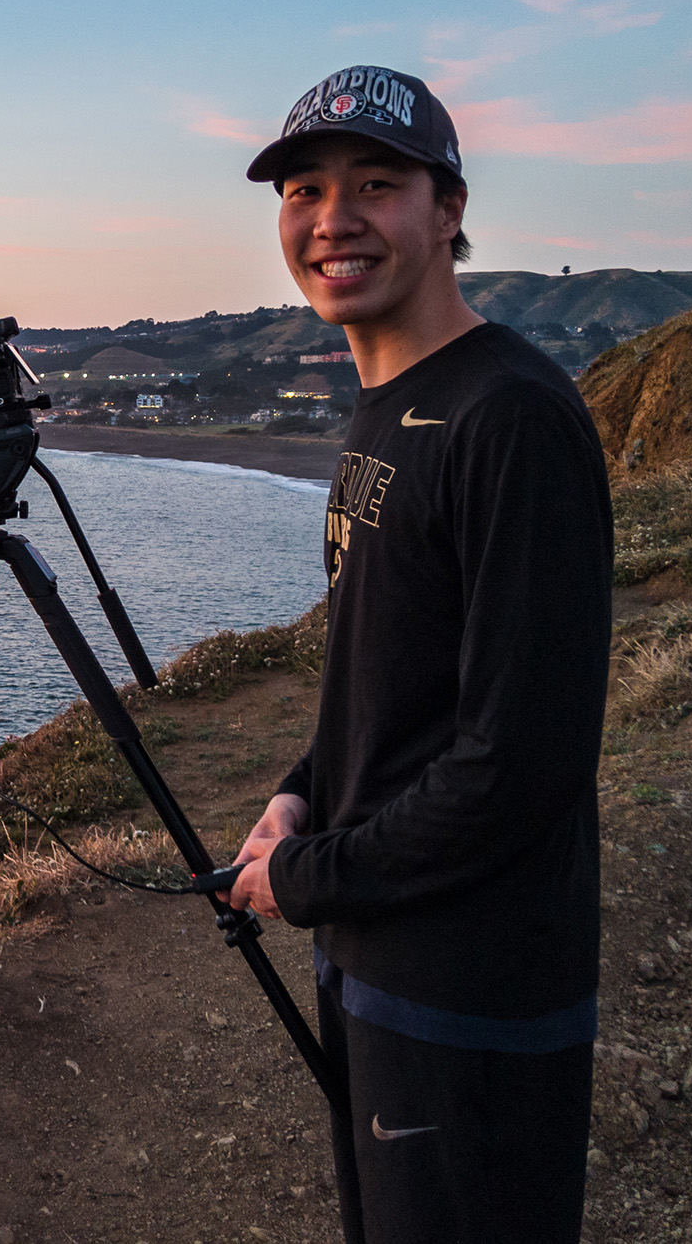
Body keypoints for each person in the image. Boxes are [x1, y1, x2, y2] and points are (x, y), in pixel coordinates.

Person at [224, 66, 613, 1244]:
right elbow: (389, 666)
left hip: (469, 990)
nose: (330, 217)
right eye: (302, 188)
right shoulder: (385, 402)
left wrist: (304, 883)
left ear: (446, 209)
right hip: (381, 955)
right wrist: (301, 792)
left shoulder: (510, 419)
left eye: (374, 184)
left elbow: (517, 763)